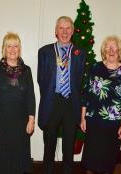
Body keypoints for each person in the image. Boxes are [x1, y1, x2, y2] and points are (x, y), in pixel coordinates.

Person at [37, 16, 86, 174]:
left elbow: (80, 80)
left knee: (68, 148)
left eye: (67, 28)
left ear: (72, 31)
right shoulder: (45, 51)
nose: (64, 32)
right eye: (61, 28)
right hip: (52, 103)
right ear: (56, 31)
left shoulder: (80, 53)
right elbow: (41, 78)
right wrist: (51, 94)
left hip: (71, 104)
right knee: (49, 145)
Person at [80, 36, 121, 174]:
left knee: (107, 162)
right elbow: (86, 94)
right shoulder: (95, 67)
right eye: (107, 47)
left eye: (114, 46)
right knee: (90, 161)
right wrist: (82, 118)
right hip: (94, 121)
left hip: (113, 124)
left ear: (119, 50)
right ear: (104, 50)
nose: (111, 50)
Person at [0, 32, 35, 174]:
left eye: (16, 46)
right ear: (4, 49)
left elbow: (31, 96)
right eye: (9, 46)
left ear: (20, 49)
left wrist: (31, 119)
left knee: (18, 162)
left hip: (20, 124)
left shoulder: (27, 71)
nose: (12, 49)